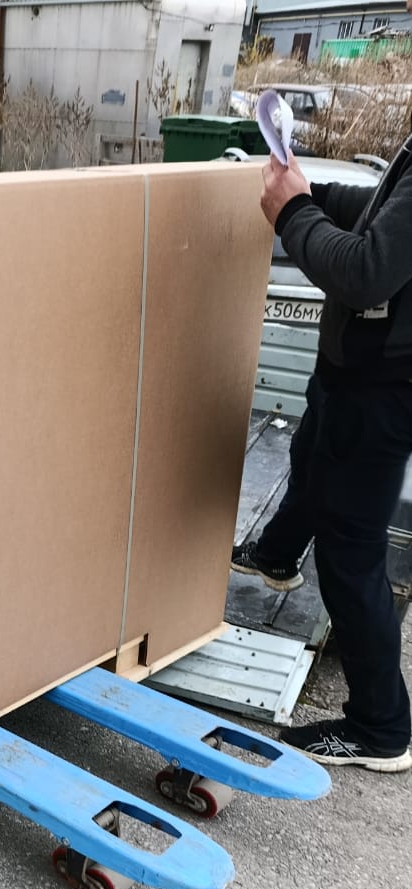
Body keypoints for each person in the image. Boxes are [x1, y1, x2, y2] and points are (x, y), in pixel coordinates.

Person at [231, 143, 412, 772]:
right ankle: (276, 555)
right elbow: (389, 212)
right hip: (355, 372)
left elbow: (367, 271)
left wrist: (293, 214)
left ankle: (379, 727)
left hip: (382, 388)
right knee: (310, 456)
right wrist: (317, 196)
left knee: (350, 557)